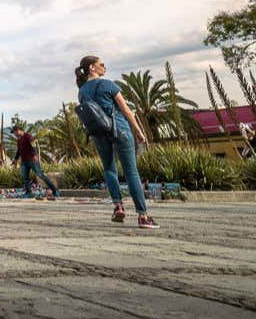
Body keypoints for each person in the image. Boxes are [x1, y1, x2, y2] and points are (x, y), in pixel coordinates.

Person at [77, 56, 159, 229]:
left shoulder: (82, 91)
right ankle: (142, 216)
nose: (104, 67)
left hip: (99, 133)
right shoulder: (108, 84)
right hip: (119, 129)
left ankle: (118, 206)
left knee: (109, 169)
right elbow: (127, 111)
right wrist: (138, 131)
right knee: (131, 172)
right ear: (92, 67)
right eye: (101, 64)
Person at [14, 125, 59, 199]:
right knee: (25, 177)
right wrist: (15, 159)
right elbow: (18, 151)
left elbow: (34, 145)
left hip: (32, 160)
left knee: (40, 175)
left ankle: (55, 190)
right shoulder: (19, 140)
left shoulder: (29, 136)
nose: (14, 134)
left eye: (15, 132)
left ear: (19, 130)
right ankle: (29, 193)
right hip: (24, 162)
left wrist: (35, 155)